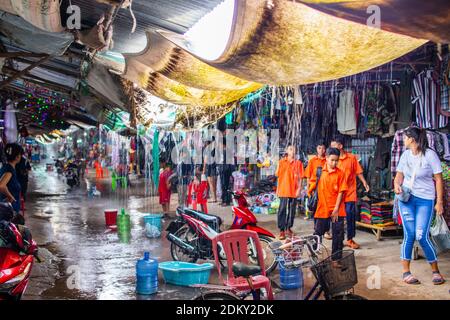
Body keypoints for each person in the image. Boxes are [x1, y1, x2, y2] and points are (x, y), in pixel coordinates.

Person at [394, 127, 445, 285]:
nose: (403, 140)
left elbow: (438, 179)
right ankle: (406, 272)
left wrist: (439, 202)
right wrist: (397, 185)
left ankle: (435, 271)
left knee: (422, 235)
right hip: (406, 199)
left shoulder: (430, 155)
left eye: (405, 137)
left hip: (425, 200)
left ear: (412, 139)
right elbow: (399, 176)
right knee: (409, 234)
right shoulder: (405, 155)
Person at [331, 137, 370, 249]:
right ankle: (338, 239)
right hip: (337, 193)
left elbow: (358, 172)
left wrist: (364, 183)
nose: (332, 148)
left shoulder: (352, 158)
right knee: (337, 217)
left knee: (350, 216)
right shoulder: (333, 159)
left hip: (349, 193)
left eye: (334, 146)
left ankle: (350, 239)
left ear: (340, 146)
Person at [310, 147, 347, 263]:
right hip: (322, 208)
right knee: (318, 233)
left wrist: (336, 208)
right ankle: (314, 255)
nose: (334, 163)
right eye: (332, 160)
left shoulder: (341, 173)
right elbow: (312, 186)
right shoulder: (319, 172)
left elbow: (341, 191)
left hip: (338, 209)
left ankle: (336, 260)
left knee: (338, 236)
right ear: (326, 158)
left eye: (336, 160)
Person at [275, 145, 304, 240]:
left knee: (292, 210)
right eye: (291, 149)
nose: (293, 151)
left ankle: (288, 228)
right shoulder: (281, 162)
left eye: (294, 149)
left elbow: (300, 178)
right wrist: (277, 190)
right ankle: (282, 230)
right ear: (287, 151)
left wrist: (299, 189)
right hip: (283, 190)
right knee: (282, 209)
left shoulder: (298, 163)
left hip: (293, 190)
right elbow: (278, 177)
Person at [304, 142, 327, 220]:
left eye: (323, 148)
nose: (321, 150)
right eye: (319, 148)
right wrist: (308, 189)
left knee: (324, 207)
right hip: (313, 187)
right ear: (317, 149)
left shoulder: (327, 160)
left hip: (324, 187)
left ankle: (325, 229)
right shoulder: (312, 161)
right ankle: (316, 226)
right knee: (315, 206)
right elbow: (308, 176)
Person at [0, 144, 23, 213]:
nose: (20, 156)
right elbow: (1, 186)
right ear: (17, 157)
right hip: (8, 210)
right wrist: (10, 197)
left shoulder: (6, 167)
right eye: (20, 154)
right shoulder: (9, 170)